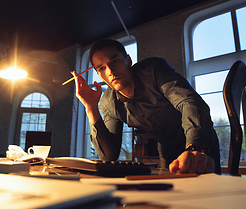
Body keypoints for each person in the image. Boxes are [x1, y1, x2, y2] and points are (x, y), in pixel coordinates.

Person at [72, 39, 221, 174]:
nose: (110, 71)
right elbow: (109, 155)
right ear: (98, 74)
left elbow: (190, 102)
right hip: (167, 152)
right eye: (102, 68)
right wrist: (91, 108)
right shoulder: (108, 103)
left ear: (128, 60)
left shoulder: (154, 70)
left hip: (200, 143)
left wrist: (195, 147)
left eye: (115, 61)